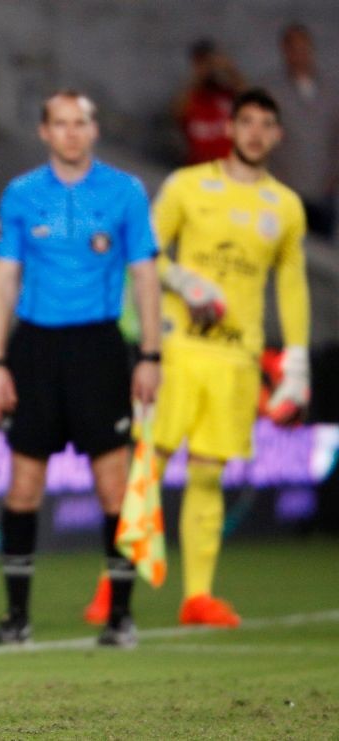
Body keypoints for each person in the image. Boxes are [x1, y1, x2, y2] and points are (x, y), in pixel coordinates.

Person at [87, 88, 311, 628]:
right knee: (149, 467)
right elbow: (143, 248)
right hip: (178, 349)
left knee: (209, 476)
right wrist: (184, 281)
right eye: (247, 122)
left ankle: (199, 597)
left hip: (237, 359)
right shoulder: (189, 185)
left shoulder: (285, 206)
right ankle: (110, 586)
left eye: (266, 125)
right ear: (230, 129)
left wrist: (297, 361)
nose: (256, 133)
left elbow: (293, 285)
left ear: (277, 135)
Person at [0, 90, 162, 648]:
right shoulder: (21, 194)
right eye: (60, 123)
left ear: (94, 129)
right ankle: (16, 618)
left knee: (113, 486)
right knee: (24, 484)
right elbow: (3, 279)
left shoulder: (125, 192)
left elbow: (146, 277)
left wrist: (151, 355)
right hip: (35, 349)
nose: (71, 133)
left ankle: (121, 617)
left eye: (80, 122)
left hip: (100, 349)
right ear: (44, 131)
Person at [263, 22, 339, 240]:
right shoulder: (271, 90)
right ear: (285, 51)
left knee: (323, 256)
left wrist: (334, 175)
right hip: (284, 188)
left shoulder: (331, 89)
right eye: (293, 48)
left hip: (324, 190)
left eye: (303, 47)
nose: (299, 54)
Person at [173, 38, 246, 166]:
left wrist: (229, 69)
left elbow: (251, 100)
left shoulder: (226, 94)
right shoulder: (190, 97)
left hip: (229, 170)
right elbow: (177, 112)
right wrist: (199, 74)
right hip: (198, 171)